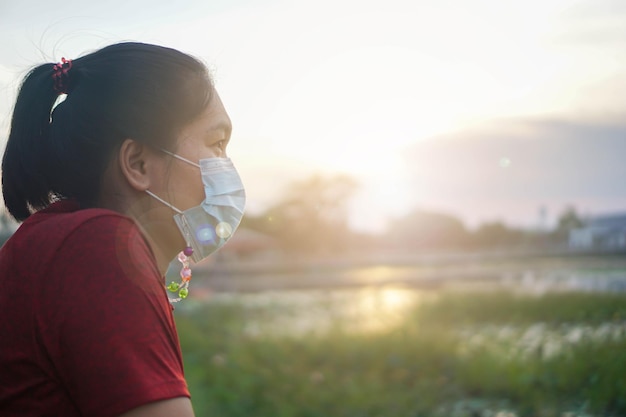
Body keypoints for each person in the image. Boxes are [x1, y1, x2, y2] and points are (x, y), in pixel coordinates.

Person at [0, 42, 245, 416]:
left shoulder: (62, 239)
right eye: (217, 142)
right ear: (138, 163)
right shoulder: (95, 250)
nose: (228, 166)